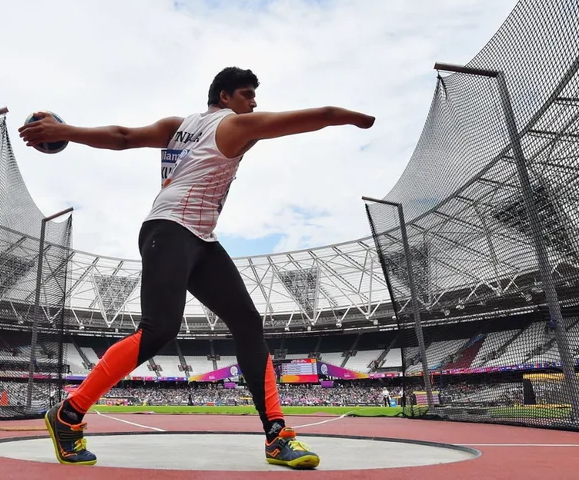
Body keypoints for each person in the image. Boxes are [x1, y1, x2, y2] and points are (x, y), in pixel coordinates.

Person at [19, 67, 375, 469]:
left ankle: (277, 436)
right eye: (247, 94)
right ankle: (68, 414)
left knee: (247, 323)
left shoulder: (177, 127)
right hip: (170, 229)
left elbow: (123, 137)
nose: (254, 103)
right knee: (159, 329)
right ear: (225, 97)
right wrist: (353, 117)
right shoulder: (234, 125)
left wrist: (66, 131)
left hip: (200, 238)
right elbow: (320, 115)